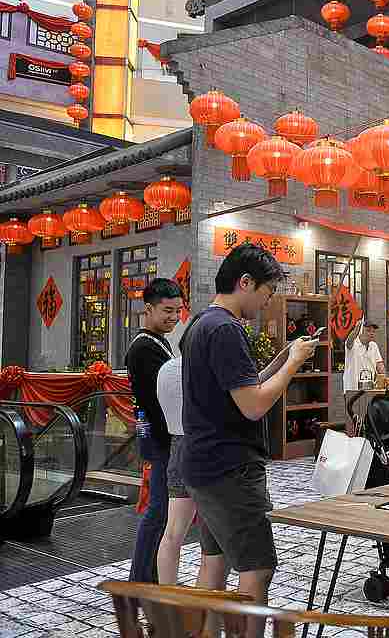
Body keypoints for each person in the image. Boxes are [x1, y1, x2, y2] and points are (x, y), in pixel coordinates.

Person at [181, 243, 319, 637]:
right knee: (257, 570)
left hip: (204, 466)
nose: (267, 301)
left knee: (214, 565)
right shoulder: (225, 328)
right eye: (267, 292)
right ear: (245, 282)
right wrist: (293, 364)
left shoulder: (201, 324)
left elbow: (242, 384)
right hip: (231, 471)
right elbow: (253, 405)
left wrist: (283, 358)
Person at [126, 278, 184, 583]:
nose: (174, 317)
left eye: (178, 311)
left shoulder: (157, 341)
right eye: (167, 311)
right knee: (158, 511)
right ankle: (140, 579)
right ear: (148, 309)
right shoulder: (144, 348)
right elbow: (157, 401)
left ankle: (146, 576)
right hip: (160, 439)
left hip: (161, 438)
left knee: (161, 511)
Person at [155, 353, 195, 586]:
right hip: (201, 445)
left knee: (172, 533)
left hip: (176, 444)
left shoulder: (167, 369)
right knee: (214, 541)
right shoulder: (200, 366)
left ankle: (166, 595)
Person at [343, 318, 385, 400]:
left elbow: (380, 366)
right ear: (360, 331)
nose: (371, 333)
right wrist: (356, 330)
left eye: (373, 331)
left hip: (370, 390)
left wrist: (385, 380)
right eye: (368, 330)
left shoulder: (374, 346)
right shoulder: (353, 344)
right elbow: (349, 341)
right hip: (352, 390)